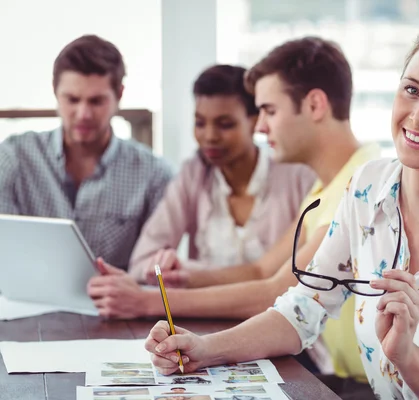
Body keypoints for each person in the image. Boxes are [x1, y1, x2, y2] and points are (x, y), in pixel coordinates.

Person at [144, 23, 419, 400]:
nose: (418, 116)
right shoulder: (366, 188)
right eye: (412, 90)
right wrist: (204, 349)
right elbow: (302, 310)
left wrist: (406, 356)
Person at [86, 37, 379, 394]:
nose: (260, 127)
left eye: (269, 111)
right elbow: (262, 271)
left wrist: (146, 301)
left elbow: (275, 290)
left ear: (315, 105)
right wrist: (183, 280)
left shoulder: (360, 183)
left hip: (359, 386)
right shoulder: (328, 186)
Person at [122, 64, 314, 284]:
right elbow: (141, 263)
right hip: (205, 316)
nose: (210, 136)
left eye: (225, 124)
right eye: (200, 123)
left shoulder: (298, 177)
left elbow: (301, 275)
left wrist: (191, 273)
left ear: (255, 121)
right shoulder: (193, 176)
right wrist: (165, 267)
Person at [0, 35, 172, 269]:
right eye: (72, 99)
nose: (83, 114)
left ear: (119, 95)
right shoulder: (13, 159)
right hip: (25, 303)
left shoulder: (153, 174)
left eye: (96, 101)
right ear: (55, 92)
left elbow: (154, 269)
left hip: (115, 304)